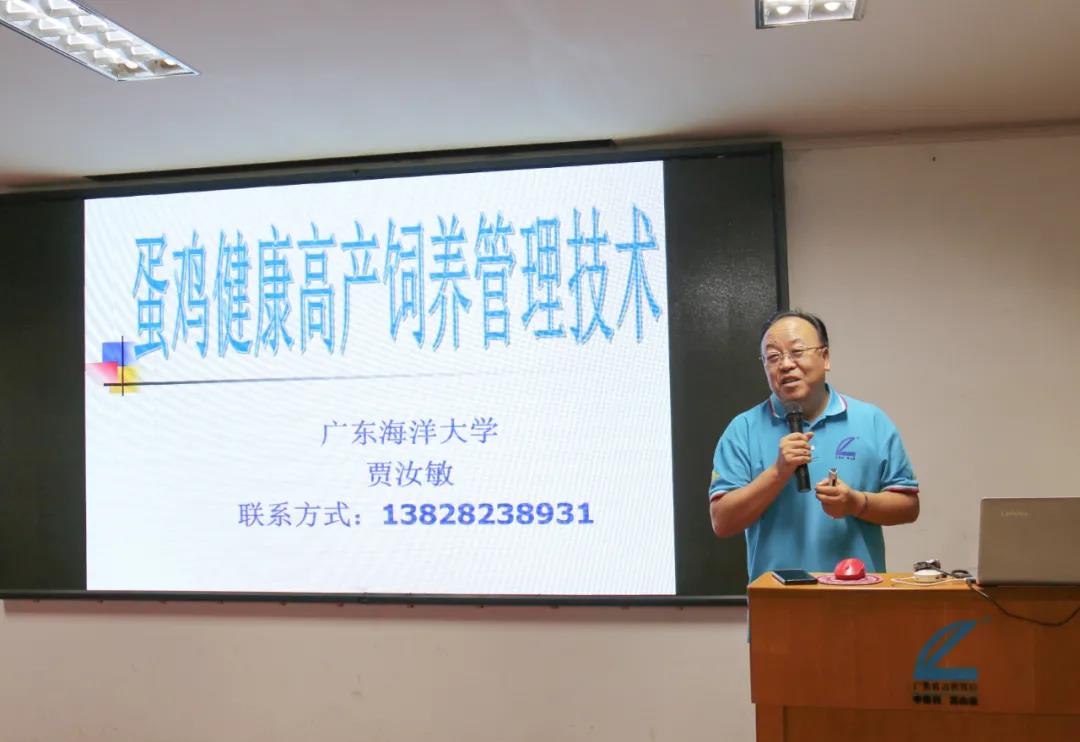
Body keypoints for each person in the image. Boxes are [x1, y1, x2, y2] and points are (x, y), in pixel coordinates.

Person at [708, 309, 919, 583]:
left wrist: (856, 503)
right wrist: (777, 472)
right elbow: (722, 522)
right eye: (773, 357)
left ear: (825, 357)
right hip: (778, 598)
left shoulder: (871, 421)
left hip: (858, 596)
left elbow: (908, 506)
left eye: (797, 352)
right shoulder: (743, 429)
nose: (785, 364)